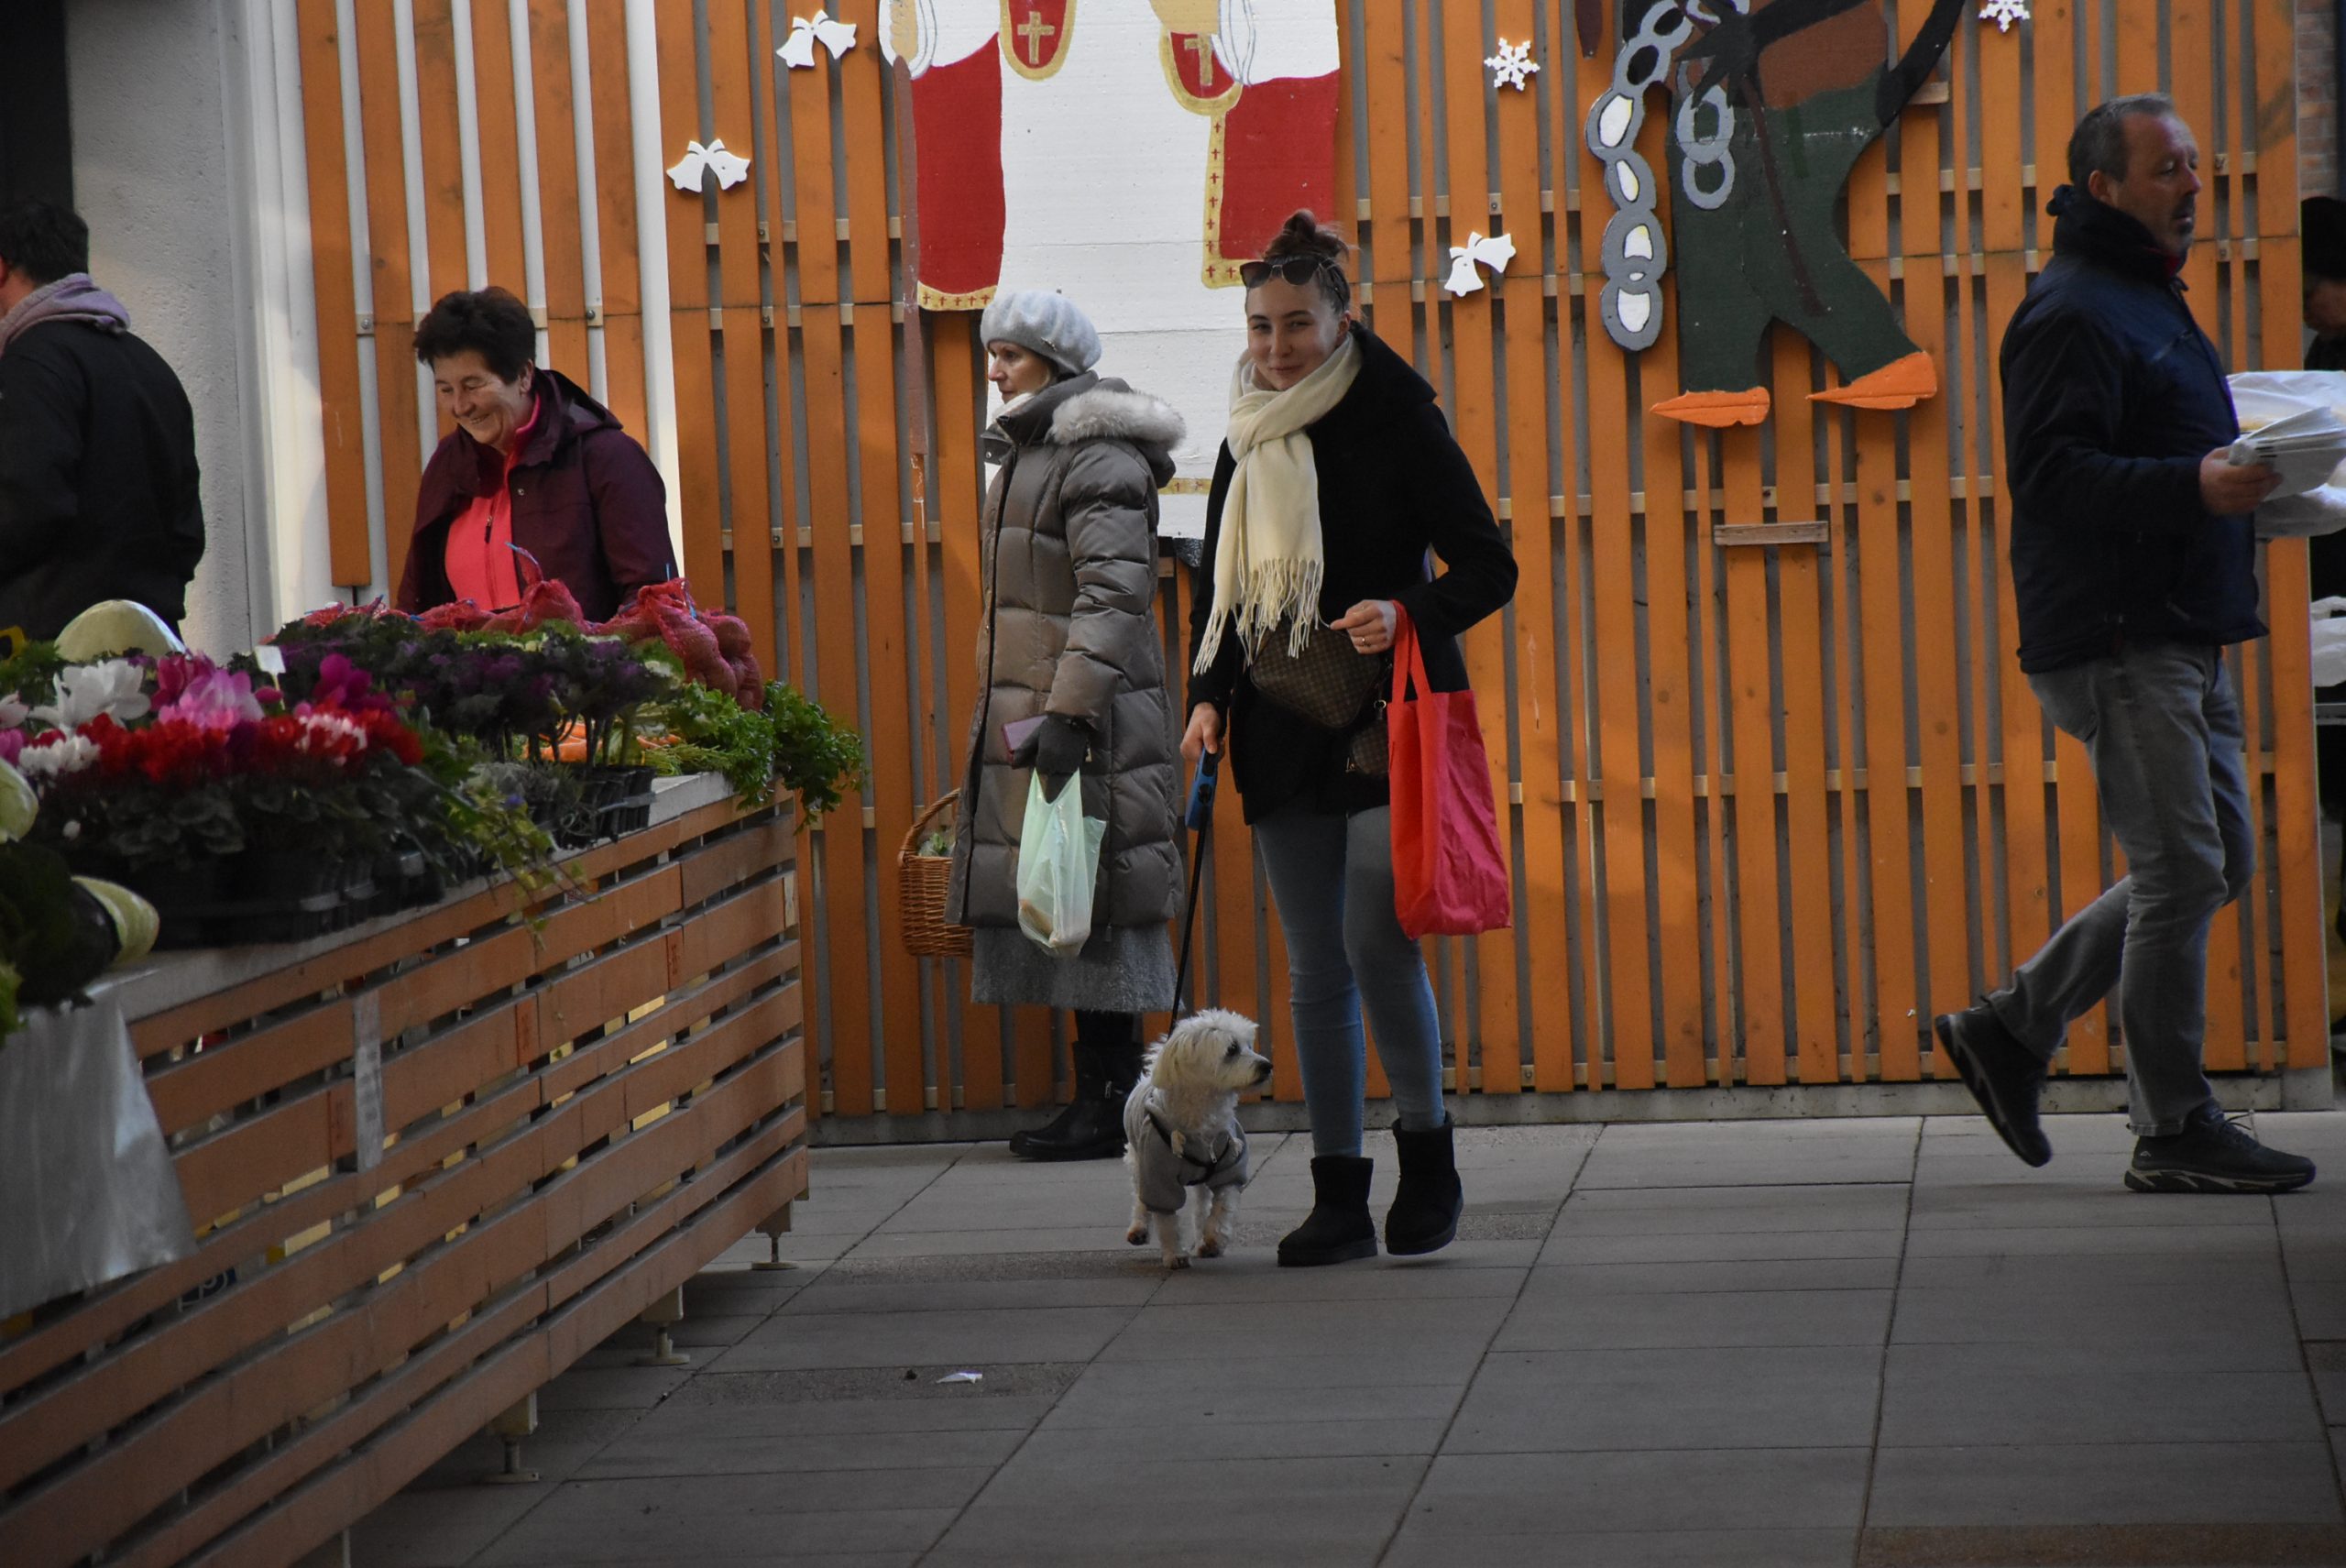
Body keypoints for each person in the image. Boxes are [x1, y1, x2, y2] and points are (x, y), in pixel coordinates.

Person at [1934, 94, 2314, 1193]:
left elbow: (2171, 454)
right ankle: (2172, 1124)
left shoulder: (2147, 301)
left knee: (2215, 861)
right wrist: (2195, 482)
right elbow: (2051, 477)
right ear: (2104, 188)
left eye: (2194, 165)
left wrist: (2257, 482)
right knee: (2180, 868)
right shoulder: (2073, 312)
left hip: (2186, 627)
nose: (2192, 185)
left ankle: (2012, 1025)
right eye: (2166, 169)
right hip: (2118, 635)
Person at [1184, 211, 1517, 1264]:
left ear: (1342, 319)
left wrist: (1407, 610)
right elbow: (1222, 591)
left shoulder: (1396, 416)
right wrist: (1206, 694)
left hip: (1389, 718)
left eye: (1295, 325)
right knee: (1312, 966)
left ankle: (1429, 1155)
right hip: (1280, 722)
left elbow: (1486, 565)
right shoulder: (1246, 430)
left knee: (1378, 940)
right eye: (1259, 326)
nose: (1275, 348)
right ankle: (1337, 1192)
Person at [941, 289, 1188, 1161]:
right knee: (1073, 892)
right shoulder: (1035, 450)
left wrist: (1071, 712)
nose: (995, 368)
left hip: (1089, 721)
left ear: (1054, 358)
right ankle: (1104, 1098)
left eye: (1010, 352)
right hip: (1057, 714)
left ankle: (1114, 1100)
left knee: (1099, 898)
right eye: (994, 352)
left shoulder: (1094, 452)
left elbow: (1115, 593)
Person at [397, 287, 674, 622]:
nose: (460, 406)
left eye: (473, 385)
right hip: (473, 674)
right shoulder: (447, 464)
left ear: (524, 375)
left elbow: (652, 601)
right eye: (445, 390)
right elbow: (419, 602)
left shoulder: (607, 458)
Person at [0, 201, 203, 643]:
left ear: (2, 269)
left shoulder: (30, 363)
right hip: (154, 644)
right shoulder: (149, 364)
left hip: (49, 652)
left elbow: (26, 505)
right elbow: (187, 530)